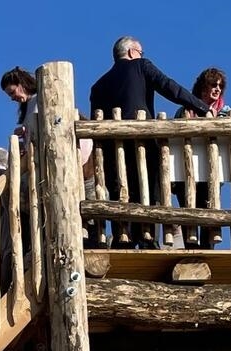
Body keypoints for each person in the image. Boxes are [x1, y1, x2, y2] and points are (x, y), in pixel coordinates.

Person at [90, 37, 210, 248]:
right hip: (141, 139)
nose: (142, 55)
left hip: (111, 147)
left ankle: (122, 238)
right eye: (141, 52)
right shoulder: (141, 66)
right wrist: (202, 107)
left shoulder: (98, 86)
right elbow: (169, 86)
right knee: (147, 188)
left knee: (121, 190)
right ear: (131, 52)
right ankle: (146, 237)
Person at [169, 68, 231, 249]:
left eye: (220, 86)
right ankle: (191, 251)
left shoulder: (224, 111)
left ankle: (206, 250)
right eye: (213, 85)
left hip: (212, 171)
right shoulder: (185, 110)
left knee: (209, 210)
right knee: (188, 212)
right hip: (186, 171)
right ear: (203, 87)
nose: (217, 89)